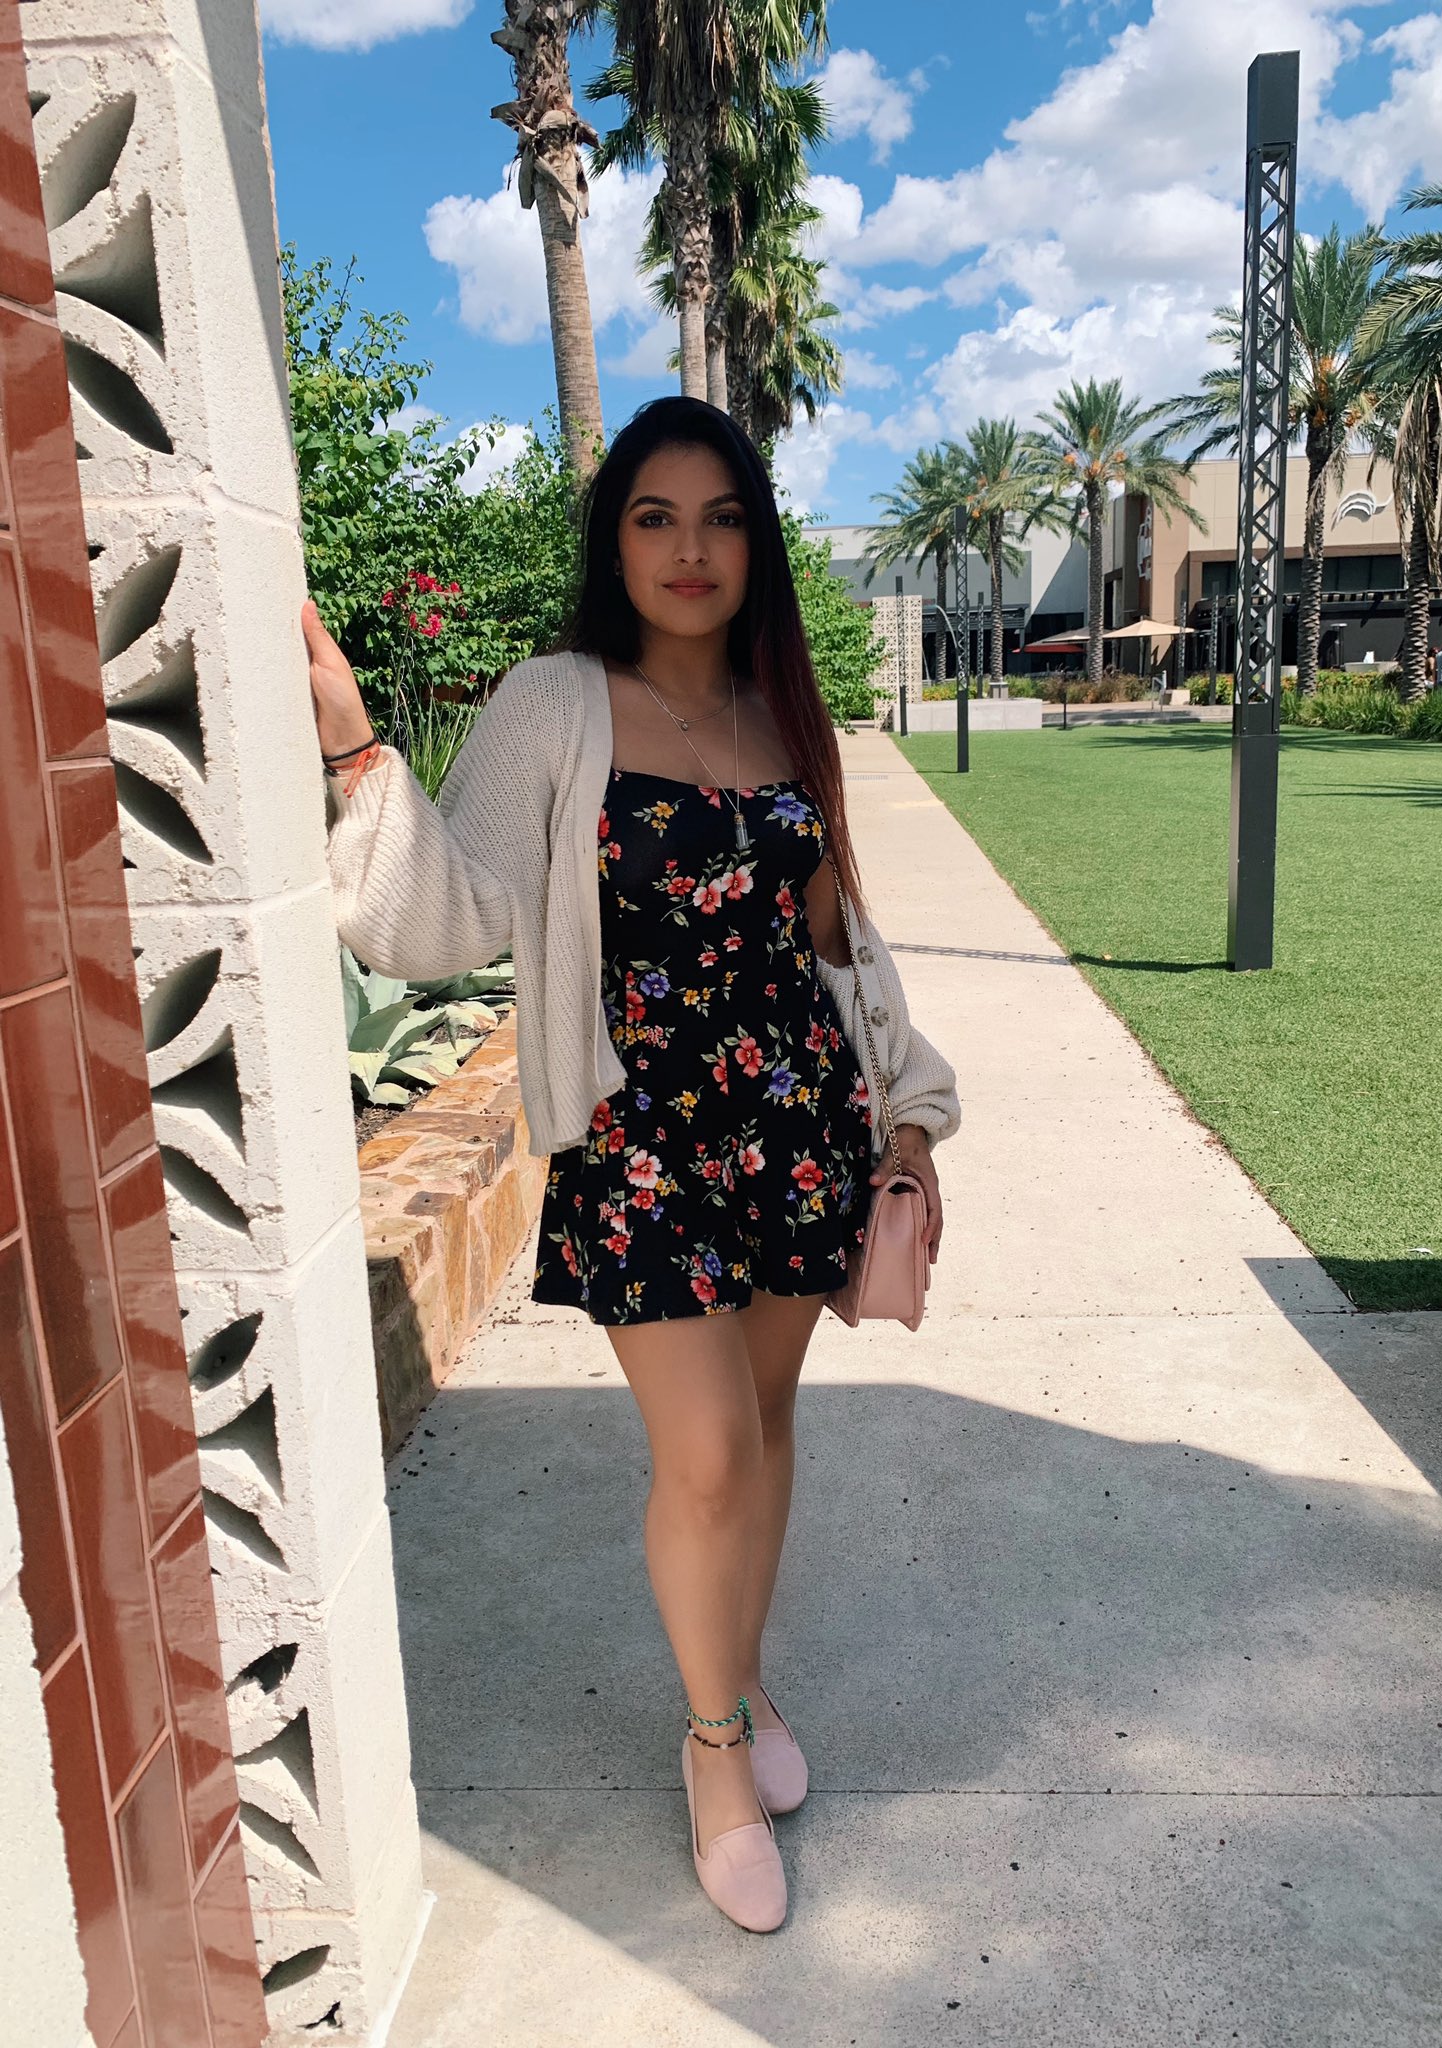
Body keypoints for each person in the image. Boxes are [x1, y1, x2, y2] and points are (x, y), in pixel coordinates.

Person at [303, 396, 959, 1935]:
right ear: (614, 541)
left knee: (769, 1426)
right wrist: (350, 739)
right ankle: (713, 1746)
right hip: (640, 1138)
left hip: (798, 1122)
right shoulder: (555, 702)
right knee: (707, 1452)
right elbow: (447, 914)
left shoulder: (783, 711)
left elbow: (838, 944)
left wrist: (906, 1119)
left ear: (757, 546)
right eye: (655, 516)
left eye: (721, 517)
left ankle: (741, 1674)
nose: (690, 548)